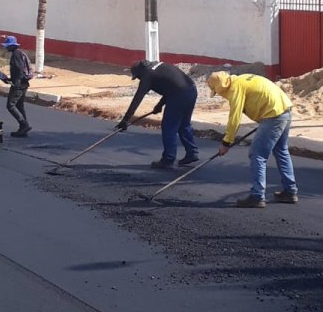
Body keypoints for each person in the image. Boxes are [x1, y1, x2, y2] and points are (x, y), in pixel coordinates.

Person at [206, 70, 298, 208]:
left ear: (220, 88)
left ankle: (257, 196)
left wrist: (226, 142)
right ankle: (290, 191)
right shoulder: (241, 80)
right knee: (281, 150)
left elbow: (234, 118)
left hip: (273, 115)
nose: (220, 95)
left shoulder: (235, 88)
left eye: (217, 92)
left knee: (257, 155)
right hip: (284, 110)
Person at [117, 60, 199, 169]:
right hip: (191, 90)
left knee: (169, 127)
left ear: (140, 72)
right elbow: (171, 86)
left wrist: (125, 120)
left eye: (138, 77)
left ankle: (168, 159)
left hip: (178, 95)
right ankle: (192, 152)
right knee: (184, 124)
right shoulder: (159, 67)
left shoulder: (147, 74)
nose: (139, 79)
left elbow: (138, 98)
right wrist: (159, 105)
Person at [0, 35, 33, 138]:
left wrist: (16, 84)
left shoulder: (16, 54)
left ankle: (24, 124)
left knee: (10, 105)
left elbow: (19, 70)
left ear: (12, 45)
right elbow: (18, 71)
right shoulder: (20, 53)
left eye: (7, 45)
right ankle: (23, 128)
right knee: (19, 106)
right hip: (23, 83)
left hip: (19, 84)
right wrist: (8, 79)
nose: (6, 47)